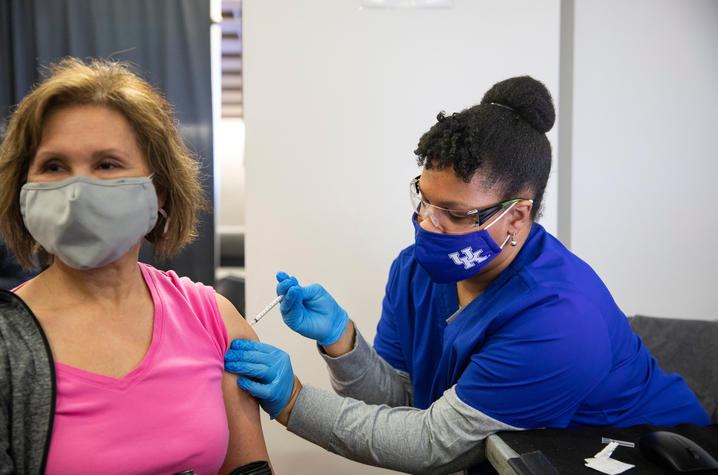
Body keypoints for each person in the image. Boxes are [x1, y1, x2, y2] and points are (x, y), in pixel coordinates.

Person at [224, 76, 710, 474]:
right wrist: (343, 342)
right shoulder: (417, 268)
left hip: (641, 455)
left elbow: (434, 445)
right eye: (424, 200)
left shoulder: (560, 319)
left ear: (517, 216)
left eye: (454, 214)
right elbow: (407, 398)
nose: (426, 225)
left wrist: (294, 401)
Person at [0, 58, 270, 474]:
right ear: (23, 190)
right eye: (54, 166)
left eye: (107, 164)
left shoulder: (212, 319)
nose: (77, 192)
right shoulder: (7, 346)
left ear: (158, 191)